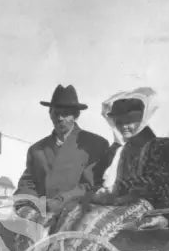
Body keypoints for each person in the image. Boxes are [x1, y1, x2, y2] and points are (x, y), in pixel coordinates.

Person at [41, 87, 169, 251]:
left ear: (143, 120)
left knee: (92, 220)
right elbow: (99, 177)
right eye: (120, 122)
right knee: (73, 210)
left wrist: (117, 193)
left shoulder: (163, 146)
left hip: (150, 207)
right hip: (121, 203)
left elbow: (158, 184)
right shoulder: (122, 150)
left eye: (131, 121)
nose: (125, 127)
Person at [13, 84, 110, 241]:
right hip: (42, 220)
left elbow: (91, 185)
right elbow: (27, 186)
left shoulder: (95, 144)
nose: (60, 118)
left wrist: (60, 201)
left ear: (76, 115)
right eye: (56, 113)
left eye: (66, 114)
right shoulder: (37, 150)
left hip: (77, 220)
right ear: (50, 114)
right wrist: (30, 210)